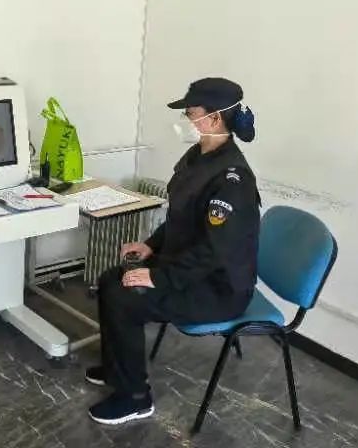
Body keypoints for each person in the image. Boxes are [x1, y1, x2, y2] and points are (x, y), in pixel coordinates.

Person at [86, 77, 261, 425]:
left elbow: (213, 252)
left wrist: (159, 278)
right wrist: (149, 246)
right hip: (189, 267)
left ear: (214, 119)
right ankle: (118, 369)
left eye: (191, 113)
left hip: (218, 289)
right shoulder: (197, 156)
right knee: (110, 280)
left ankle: (135, 398)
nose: (185, 120)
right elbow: (181, 217)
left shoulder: (232, 179)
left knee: (125, 295)